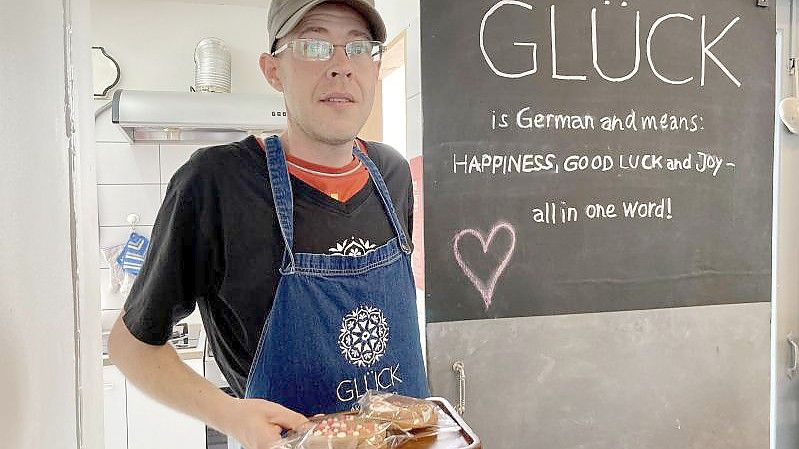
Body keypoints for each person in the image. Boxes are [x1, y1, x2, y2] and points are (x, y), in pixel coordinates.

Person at [107, 1, 430, 448]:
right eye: (314, 45)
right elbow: (129, 345)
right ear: (273, 70)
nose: (341, 67)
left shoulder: (391, 174)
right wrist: (230, 414)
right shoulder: (218, 183)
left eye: (358, 47)